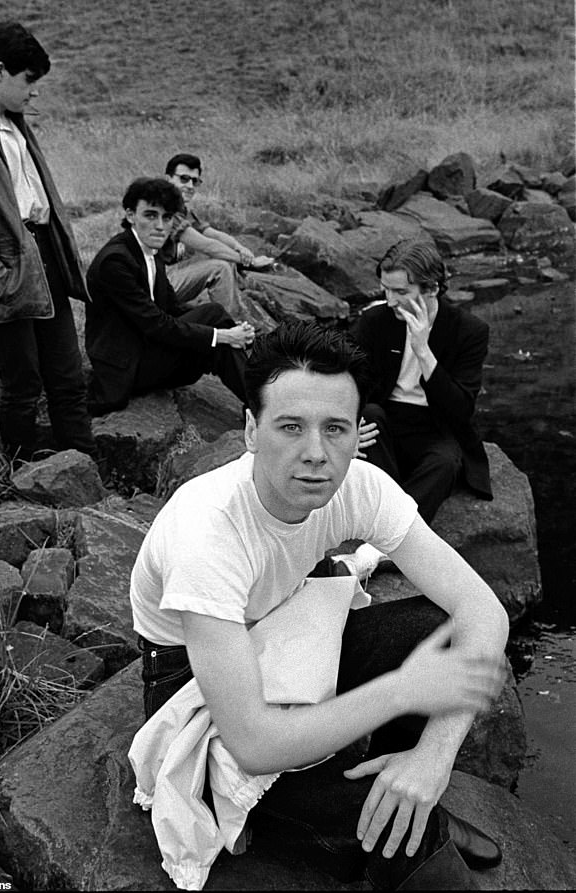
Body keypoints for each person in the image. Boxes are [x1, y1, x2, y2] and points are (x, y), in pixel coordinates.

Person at [130, 320, 509, 889]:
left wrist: (431, 759)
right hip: (194, 676)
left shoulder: (360, 484)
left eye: (336, 429)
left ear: (359, 431)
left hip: (281, 624)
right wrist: (403, 690)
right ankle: (396, 821)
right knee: (400, 838)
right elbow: (253, 742)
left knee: (437, 628)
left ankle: (400, 787)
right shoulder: (206, 532)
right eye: (291, 427)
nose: (317, 454)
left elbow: (484, 612)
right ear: (251, 430)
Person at [0, 21, 97, 466]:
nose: (36, 92)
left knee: (68, 378)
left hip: (44, 256)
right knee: (23, 386)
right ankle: (22, 481)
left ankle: (86, 480)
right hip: (5, 273)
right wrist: (1, 279)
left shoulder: (16, 123)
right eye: (29, 80)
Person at [344, 237, 492, 577]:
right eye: (386, 290)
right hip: (386, 421)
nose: (391, 301)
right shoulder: (376, 321)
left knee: (445, 462)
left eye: (401, 292)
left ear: (431, 289)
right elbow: (343, 380)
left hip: (436, 425)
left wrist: (423, 350)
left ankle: (379, 544)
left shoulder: (468, 330)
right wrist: (343, 431)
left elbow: (460, 410)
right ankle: (396, 530)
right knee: (367, 416)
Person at [85, 177, 254, 416]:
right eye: (150, 216)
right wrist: (221, 335)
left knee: (215, 318)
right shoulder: (116, 261)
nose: (160, 226)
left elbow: (173, 309)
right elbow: (155, 324)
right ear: (131, 215)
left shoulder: (151, 251)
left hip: (147, 350)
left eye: (166, 218)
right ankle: (264, 405)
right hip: (127, 367)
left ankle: (261, 404)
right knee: (215, 328)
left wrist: (229, 332)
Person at [161, 153, 269, 315]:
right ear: (169, 179)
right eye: (184, 179)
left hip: (168, 277)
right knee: (220, 267)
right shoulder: (164, 209)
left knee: (226, 257)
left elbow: (212, 234)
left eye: (195, 181)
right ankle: (233, 328)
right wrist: (250, 262)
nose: (190, 186)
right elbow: (207, 246)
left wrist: (239, 248)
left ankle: (241, 303)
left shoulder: (181, 208)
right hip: (154, 285)